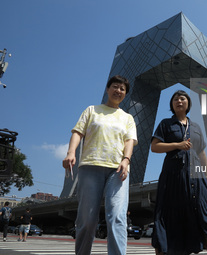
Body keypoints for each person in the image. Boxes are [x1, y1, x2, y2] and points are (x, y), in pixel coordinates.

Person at [62, 75, 137, 255]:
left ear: (125, 94)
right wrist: (71, 152)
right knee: (87, 219)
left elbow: (129, 141)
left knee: (118, 217)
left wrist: (126, 160)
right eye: (115, 87)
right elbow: (78, 132)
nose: (118, 91)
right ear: (107, 89)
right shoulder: (92, 110)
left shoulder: (127, 118)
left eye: (122, 89)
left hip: (118, 169)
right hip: (90, 167)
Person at [151, 90, 207, 255]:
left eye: (182, 98)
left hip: (197, 179)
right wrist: (177, 145)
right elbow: (154, 147)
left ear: (188, 103)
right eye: (175, 99)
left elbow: (202, 154)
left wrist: (206, 178)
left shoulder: (196, 127)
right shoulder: (165, 124)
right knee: (169, 218)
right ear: (172, 104)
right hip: (173, 177)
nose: (179, 101)